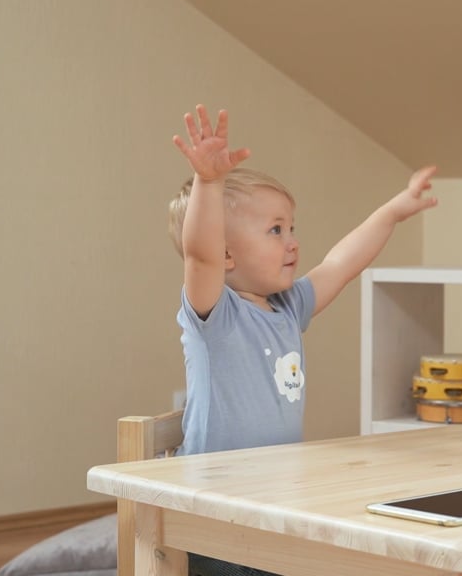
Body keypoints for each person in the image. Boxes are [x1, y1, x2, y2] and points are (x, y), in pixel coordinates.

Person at [166, 104, 437, 576]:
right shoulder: (216, 315)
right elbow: (200, 256)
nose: (292, 241)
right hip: (216, 511)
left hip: (276, 503)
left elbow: (341, 264)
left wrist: (392, 212)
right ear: (227, 254)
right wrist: (209, 183)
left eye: (292, 228)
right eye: (275, 230)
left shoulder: (288, 306)